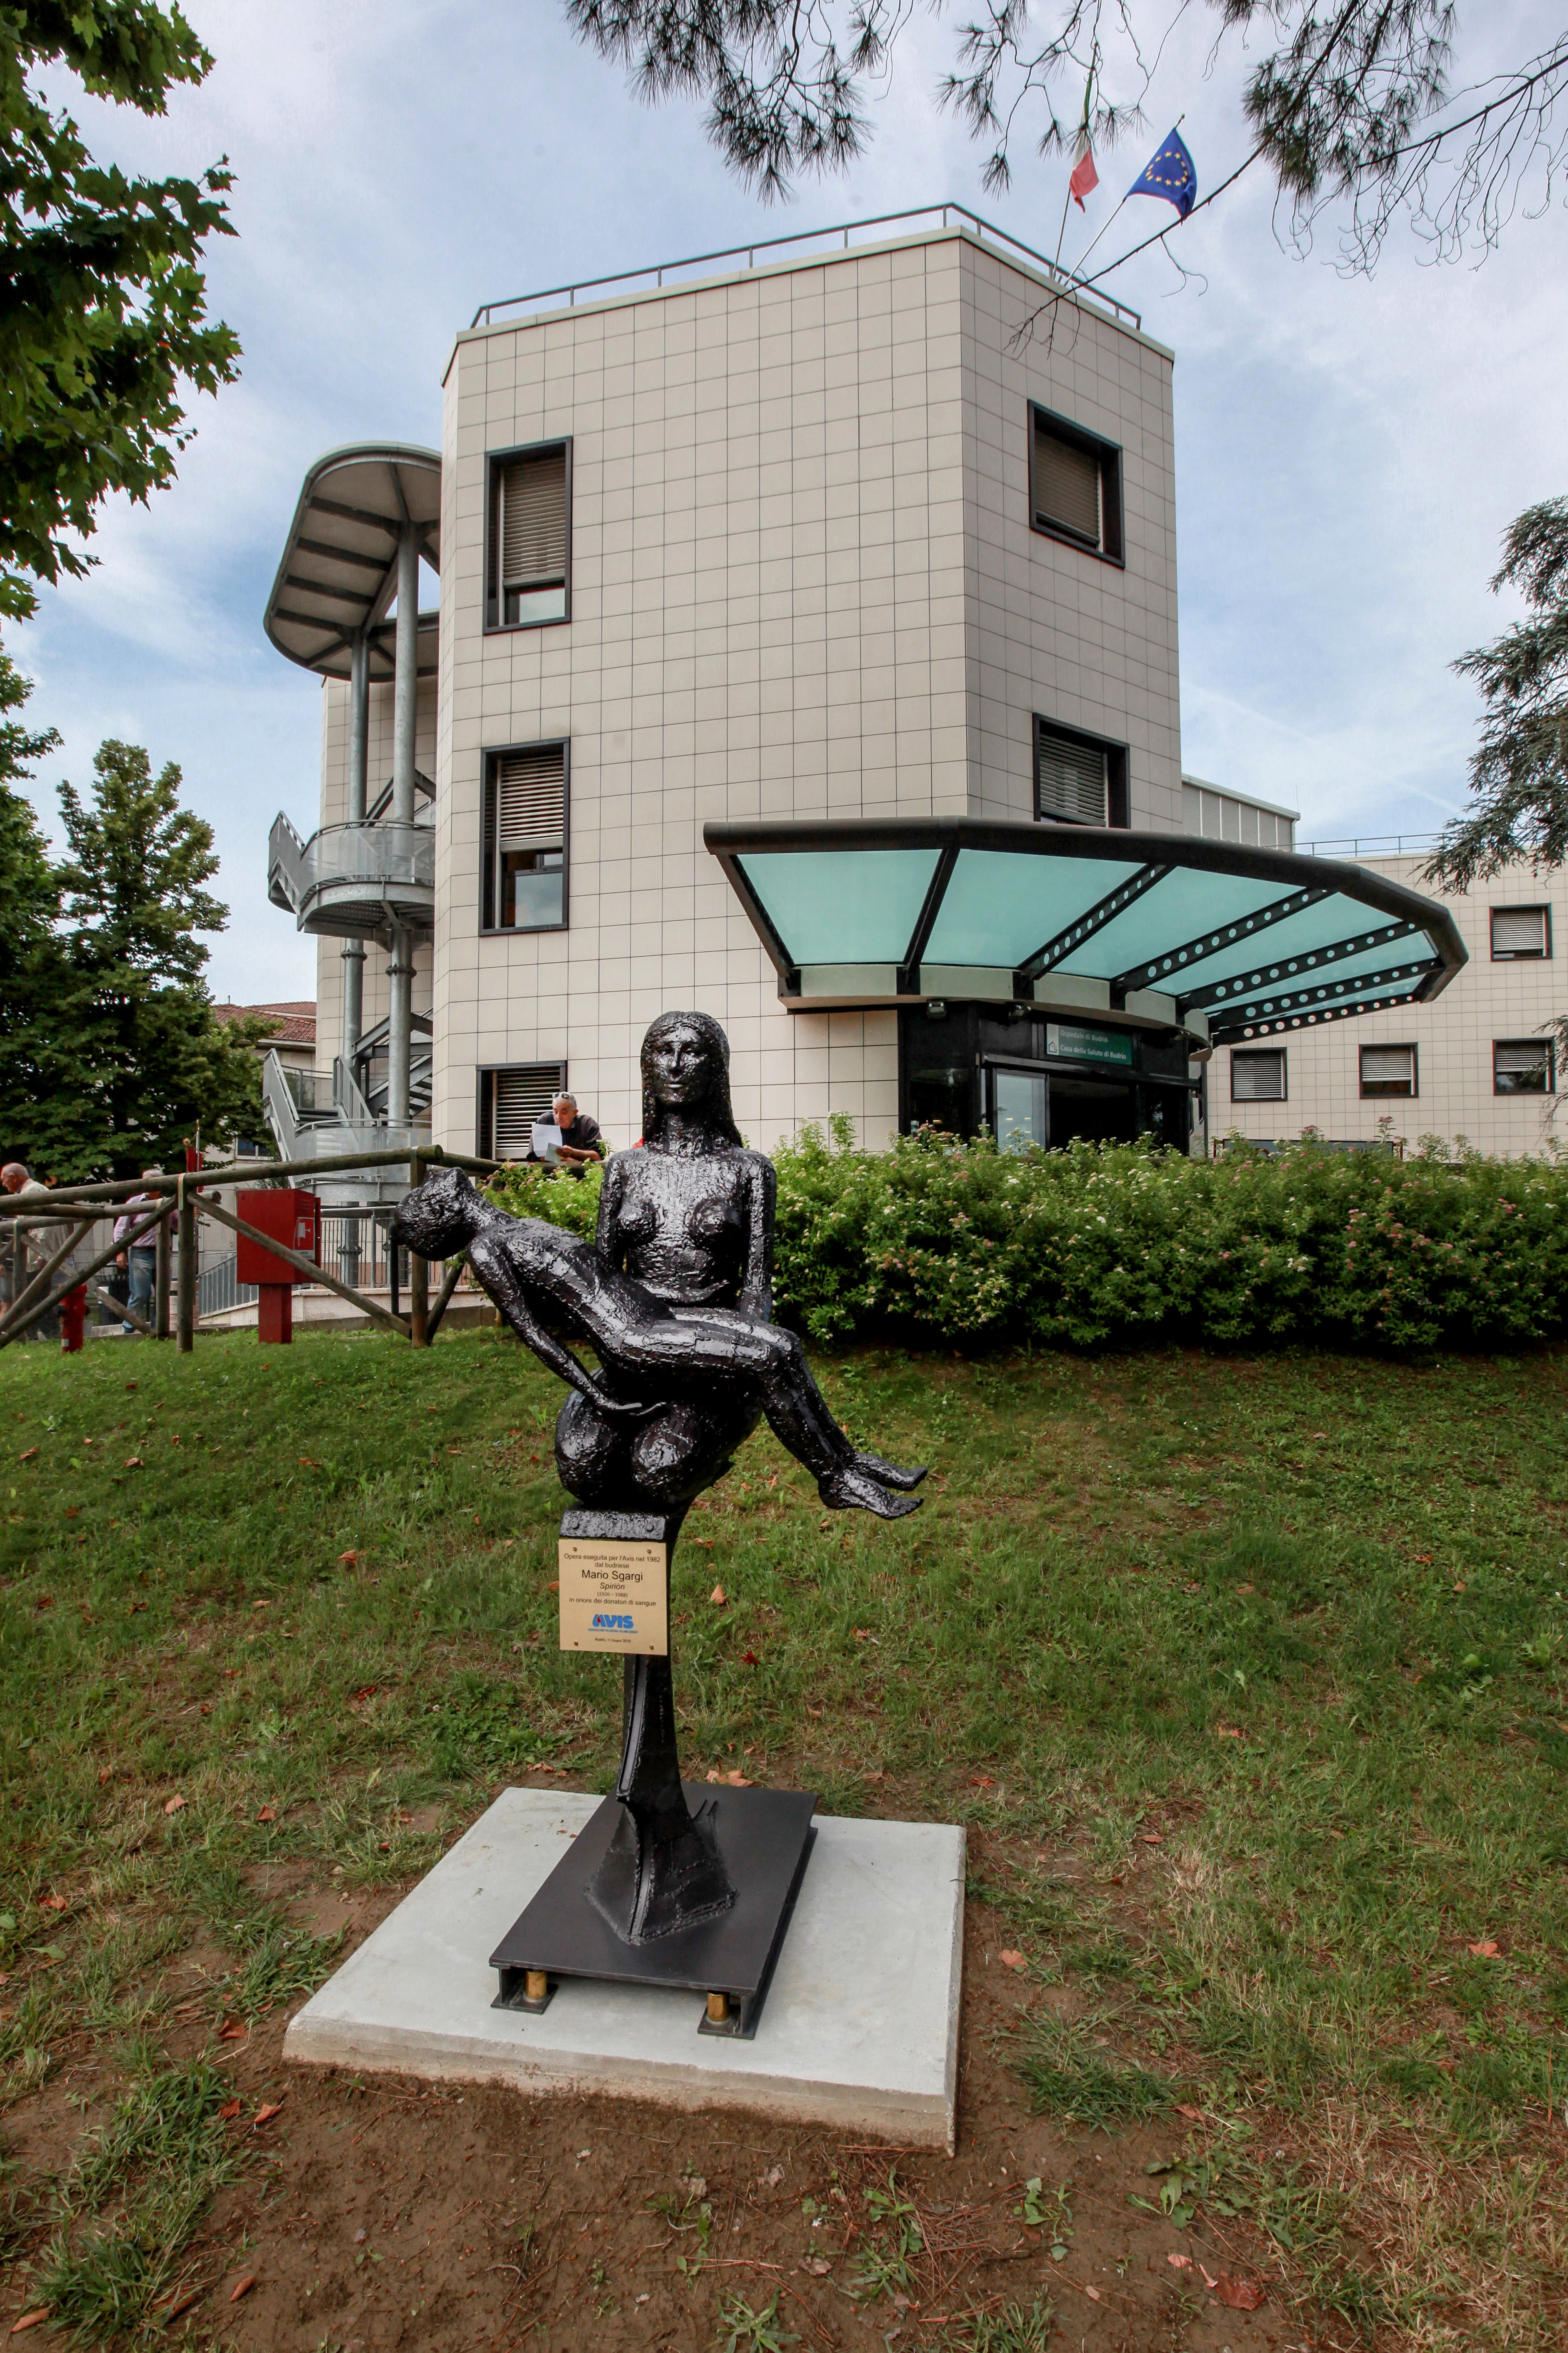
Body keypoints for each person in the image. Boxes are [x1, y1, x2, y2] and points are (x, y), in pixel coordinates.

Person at [394, 1012, 925, 1519]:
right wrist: (597, 1381)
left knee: (660, 1471)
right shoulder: (623, 1169)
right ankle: (838, 1468)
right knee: (583, 1467)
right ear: (646, 1067)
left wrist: (740, 1361)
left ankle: (844, 1468)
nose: (674, 1064)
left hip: (712, 1349)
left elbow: (756, 1292)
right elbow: (602, 1279)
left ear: (716, 1066)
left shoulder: (749, 1170)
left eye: (691, 1051)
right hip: (636, 1346)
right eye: (661, 1052)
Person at [114, 1170, 168, 1334]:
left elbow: (178, 1226)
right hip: (140, 1253)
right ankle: (128, 1330)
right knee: (140, 1295)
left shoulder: (168, 1203)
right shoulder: (134, 1203)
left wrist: (191, 1216)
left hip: (163, 1253)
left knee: (163, 1295)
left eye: (151, 1183)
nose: (147, 1187)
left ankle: (158, 1330)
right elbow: (120, 1229)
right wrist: (120, 1252)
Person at [529, 1091, 604, 1174]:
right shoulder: (545, 1121)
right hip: (547, 1176)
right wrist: (568, 1160)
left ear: (575, 1113)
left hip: (581, 1177)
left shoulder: (587, 1124)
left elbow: (597, 1156)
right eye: (556, 1112)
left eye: (564, 1113)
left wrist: (572, 1152)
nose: (559, 1117)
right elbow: (534, 1155)